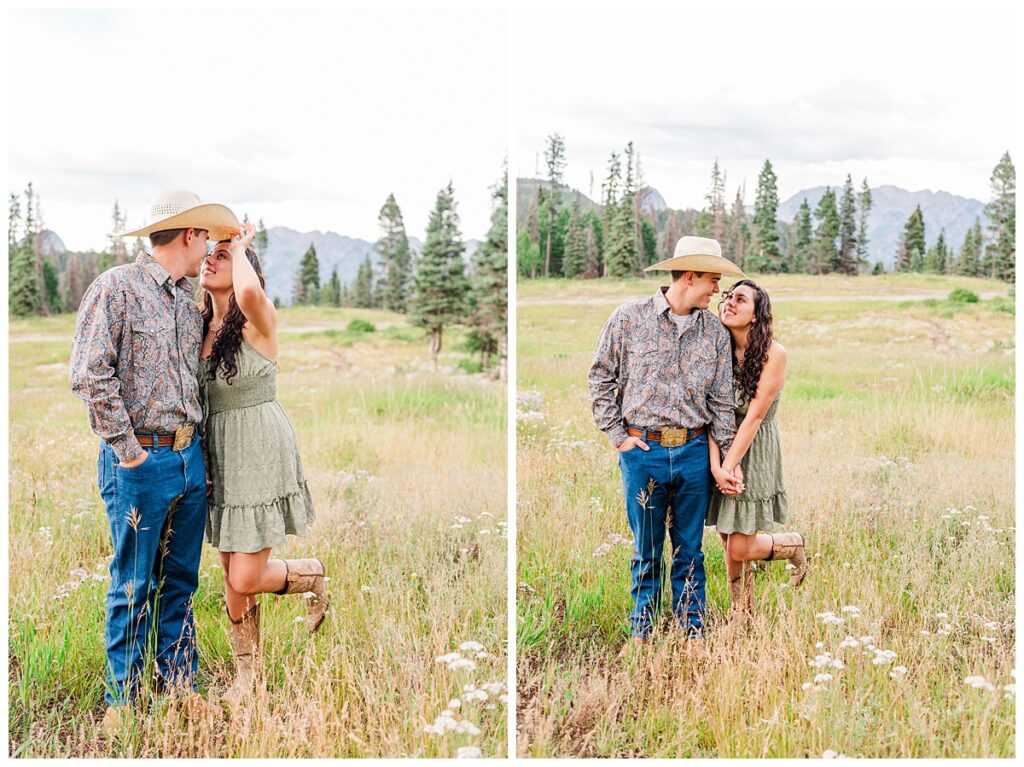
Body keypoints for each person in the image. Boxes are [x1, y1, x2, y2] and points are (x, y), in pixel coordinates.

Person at [71, 190, 238, 732]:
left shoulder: (187, 302)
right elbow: (89, 374)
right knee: (132, 585)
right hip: (141, 461)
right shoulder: (116, 288)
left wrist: (200, 458)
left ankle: (179, 688)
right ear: (188, 235)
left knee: (181, 583)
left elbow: (195, 377)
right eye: (206, 238)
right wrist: (131, 454)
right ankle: (122, 705)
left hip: (190, 460)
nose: (208, 249)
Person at [588, 235, 745, 646]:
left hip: (694, 453)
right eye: (713, 280)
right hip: (644, 453)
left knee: (690, 550)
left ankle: (692, 631)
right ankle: (643, 630)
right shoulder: (628, 318)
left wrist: (727, 459)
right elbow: (600, 378)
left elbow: (721, 401)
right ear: (689, 277)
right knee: (647, 549)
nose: (717, 290)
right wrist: (618, 437)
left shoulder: (713, 331)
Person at [198, 223, 327, 711]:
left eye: (222, 256)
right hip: (220, 452)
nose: (211, 259)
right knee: (230, 571)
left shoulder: (257, 318)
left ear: (245, 270)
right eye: (210, 253)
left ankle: (310, 574)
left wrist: (243, 247)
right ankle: (246, 676)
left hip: (259, 446)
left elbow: (247, 289)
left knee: (247, 577)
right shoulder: (201, 325)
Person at [706, 279, 808, 624]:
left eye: (740, 299)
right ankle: (741, 611)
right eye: (727, 297)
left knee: (740, 543)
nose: (729, 303)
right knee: (726, 536)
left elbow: (755, 415)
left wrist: (729, 465)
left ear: (755, 314)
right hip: (720, 447)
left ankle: (792, 545)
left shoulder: (773, 353)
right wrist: (717, 463)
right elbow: (708, 411)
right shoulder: (716, 347)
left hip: (755, 447)